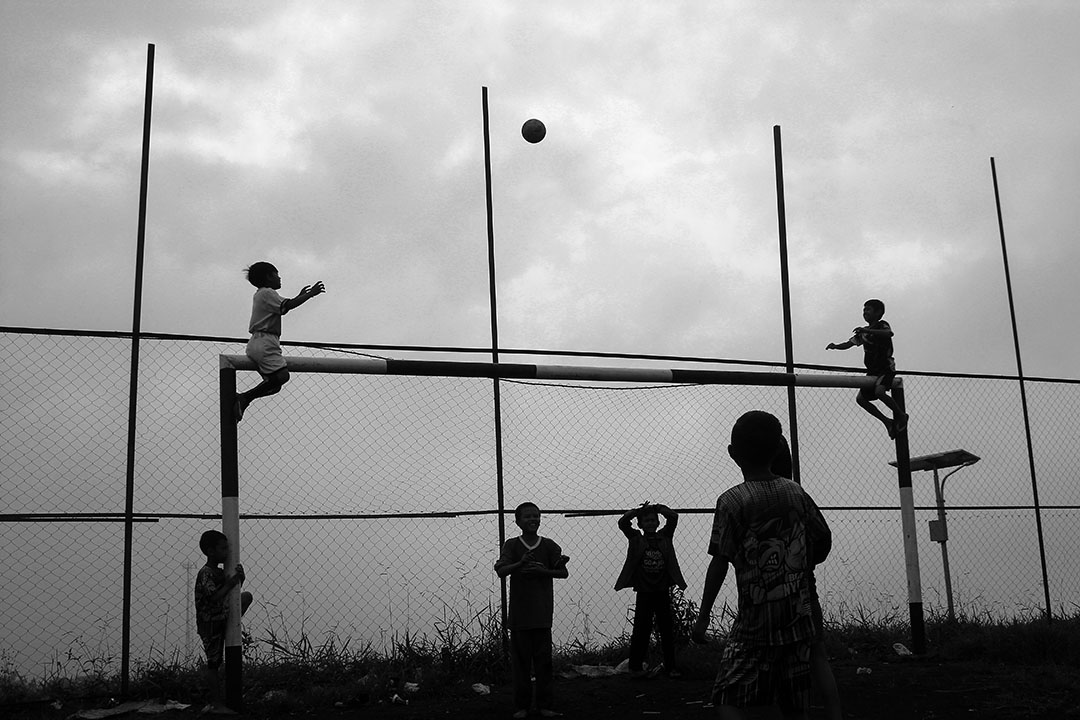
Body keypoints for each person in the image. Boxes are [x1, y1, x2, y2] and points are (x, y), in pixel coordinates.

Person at [691, 410, 832, 720]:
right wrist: (801, 566)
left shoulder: (731, 501)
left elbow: (720, 561)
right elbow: (822, 538)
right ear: (778, 449)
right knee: (796, 704)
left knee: (726, 697)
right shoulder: (796, 492)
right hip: (797, 619)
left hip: (754, 627)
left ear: (733, 453)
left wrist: (703, 617)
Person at [771, 437, 842, 720]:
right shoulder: (798, 495)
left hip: (770, 597)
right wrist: (806, 561)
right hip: (804, 590)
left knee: (776, 662)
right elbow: (823, 537)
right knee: (816, 654)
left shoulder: (747, 498)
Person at [495, 502, 570, 719]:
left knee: (544, 662)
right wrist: (521, 564)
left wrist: (542, 571)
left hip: (542, 614)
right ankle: (522, 706)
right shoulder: (512, 545)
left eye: (536, 516)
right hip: (519, 616)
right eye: (527, 516)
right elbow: (501, 570)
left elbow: (562, 572)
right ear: (518, 521)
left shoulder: (549, 545)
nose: (532, 519)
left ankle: (545, 705)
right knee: (520, 664)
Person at [233, 261, 325, 421]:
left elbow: (284, 305)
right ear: (269, 277)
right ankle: (244, 398)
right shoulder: (267, 293)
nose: (280, 278)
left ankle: (243, 400)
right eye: (277, 274)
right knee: (282, 376)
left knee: (274, 385)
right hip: (265, 342)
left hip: (259, 342)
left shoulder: (262, 294)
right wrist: (310, 295)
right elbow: (287, 306)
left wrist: (299, 296)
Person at [614, 502, 688, 678]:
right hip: (644, 591)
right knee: (641, 630)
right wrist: (635, 512)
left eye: (653, 520)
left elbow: (673, 517)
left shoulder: (665, 537)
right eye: (646, 520)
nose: (650, 523)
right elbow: (623, 524)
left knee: (666, 629)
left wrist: (659, 508)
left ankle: (670, 667)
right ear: (640, 524)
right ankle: (635, 667)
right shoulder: (636, 539)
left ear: (658, 522)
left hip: (662, 590)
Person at [825, 298, 907, 438]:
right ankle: (887, 422)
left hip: (886, 368)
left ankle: (901, 415)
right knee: (861, 399)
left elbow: (889, 333)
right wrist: (836, 346)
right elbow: (849, 344)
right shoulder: (863, 333)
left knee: (880, 392)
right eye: (863, 310)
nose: (865, 312)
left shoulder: (882, 325)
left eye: (868, 309)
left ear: (878, 312)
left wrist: (866, 330)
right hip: (872, 371)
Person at [194, 530, 253, 715]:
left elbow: (230, 594)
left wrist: (239, 579)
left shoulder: (220, 571)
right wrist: (231, 583)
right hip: (210, 623)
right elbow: (214, 597)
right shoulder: (206, 573)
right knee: (214, 663)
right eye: (223, 548)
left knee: (246, 597)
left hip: (221, 617)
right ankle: (216, 703)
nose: (227, 552)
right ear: (211, 551)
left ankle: (232, 625)